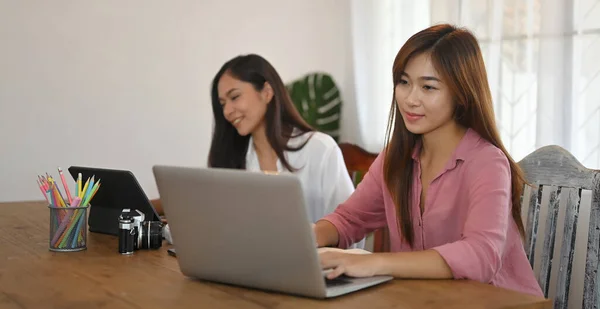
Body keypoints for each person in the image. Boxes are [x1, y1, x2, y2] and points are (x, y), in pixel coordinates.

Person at [313, 24, 543, 297]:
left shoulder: (487, 162)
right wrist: (303, 240)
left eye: (428, 87)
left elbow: (480, 256)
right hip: (425, 300)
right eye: (404, 82)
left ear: (460, 93)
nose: (411, 99)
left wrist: (372, 262)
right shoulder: (395, 157)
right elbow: (348, 219)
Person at [153, 54, 361, 246]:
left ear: (267, 92)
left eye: (234, 97)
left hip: (320, 271)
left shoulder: (320, 149)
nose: (227, 111)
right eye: (222, 103)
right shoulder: (232, 159)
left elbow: (351, 231)